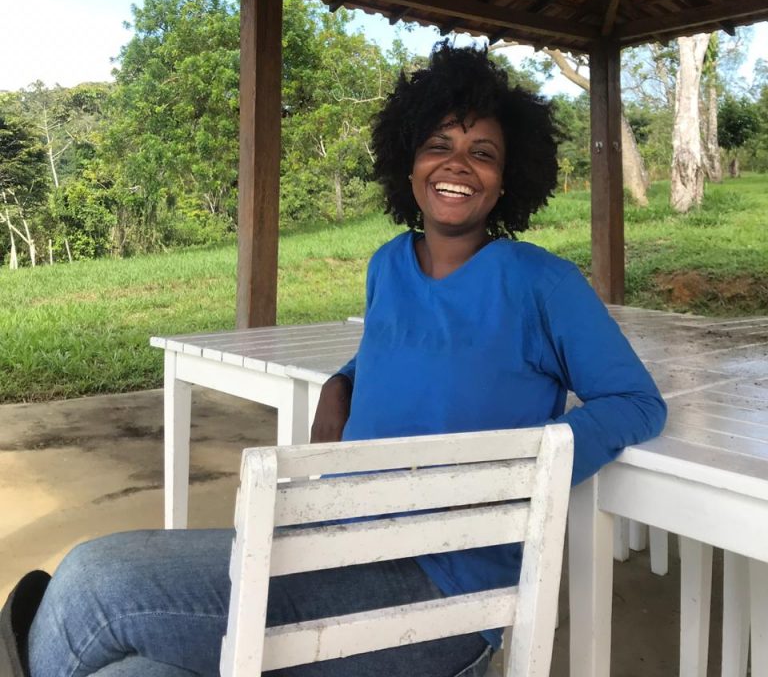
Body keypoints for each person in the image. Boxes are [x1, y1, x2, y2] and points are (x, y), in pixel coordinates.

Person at [2, 42, 666, 677]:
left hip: (439, 596)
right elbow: (408, 355)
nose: (458, 164)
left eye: (483, 153)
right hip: (333, 541)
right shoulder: (387, 267)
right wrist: (343, 383)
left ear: (506, 180)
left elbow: (635, 402)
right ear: (409, 165)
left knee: (97, 582)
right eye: (438, 145)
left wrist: (523, 467)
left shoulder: (542, 284)